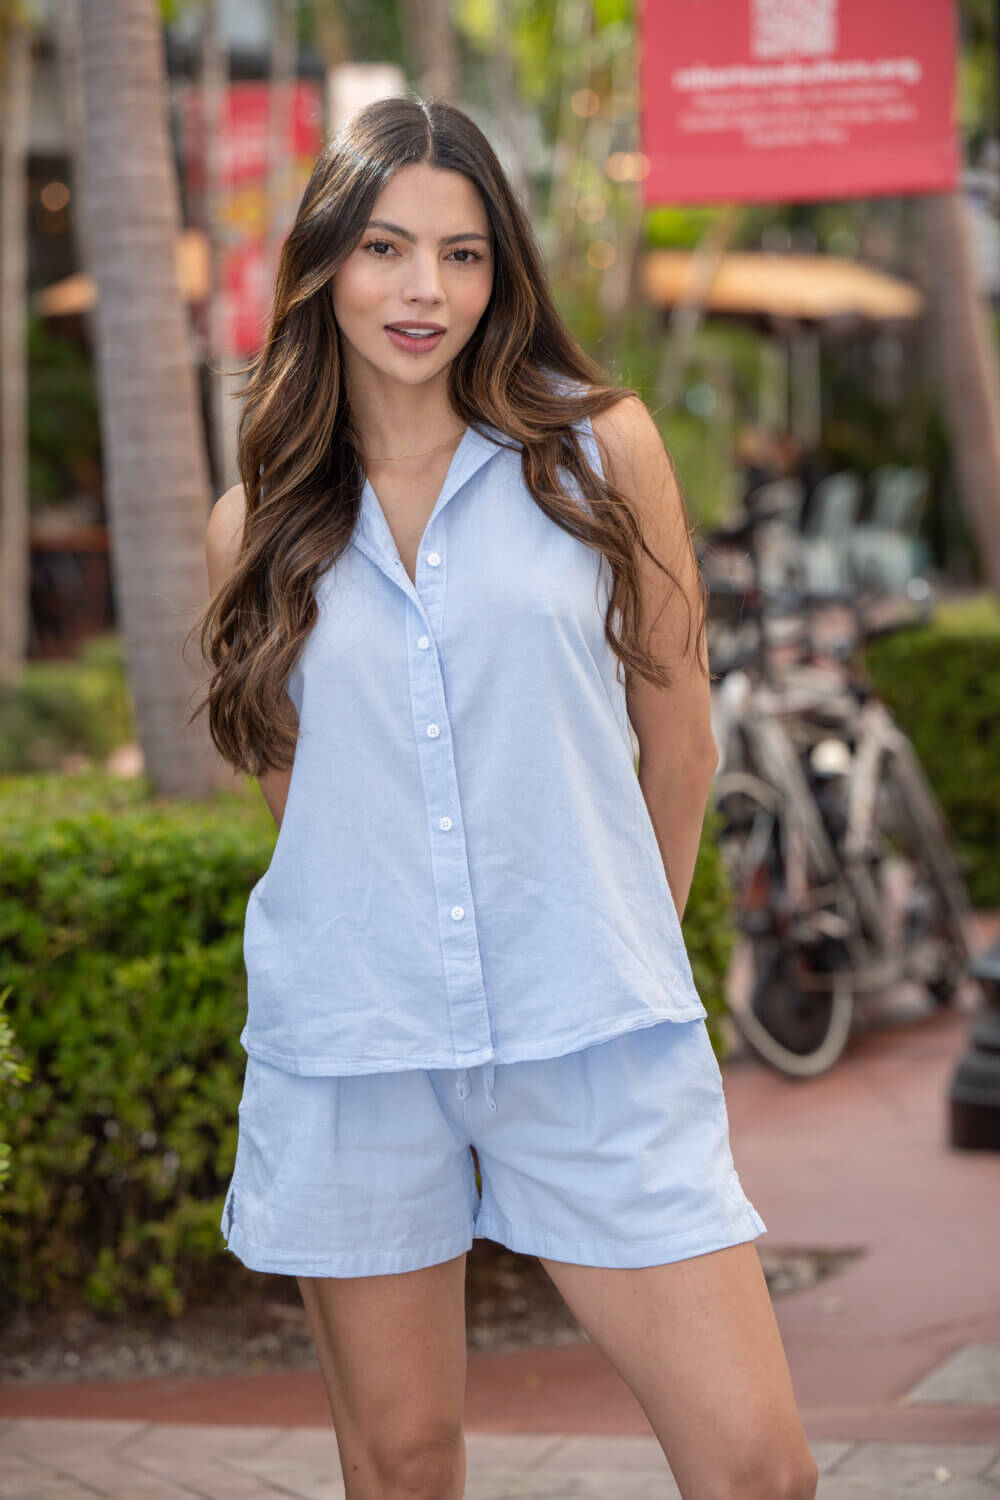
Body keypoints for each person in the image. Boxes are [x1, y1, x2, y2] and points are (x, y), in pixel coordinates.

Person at [195, 95, 817, 1500]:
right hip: (357, 1043)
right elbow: (299, 803)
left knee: (758, 1468)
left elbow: (683, 743)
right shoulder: (255, 524)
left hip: (590, 1033)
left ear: (504, 272)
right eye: (387, 249)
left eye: (465, 255)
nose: (426, 292)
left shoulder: (601, 453)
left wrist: (621, 960)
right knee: (403, 1465)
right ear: (325, 266)